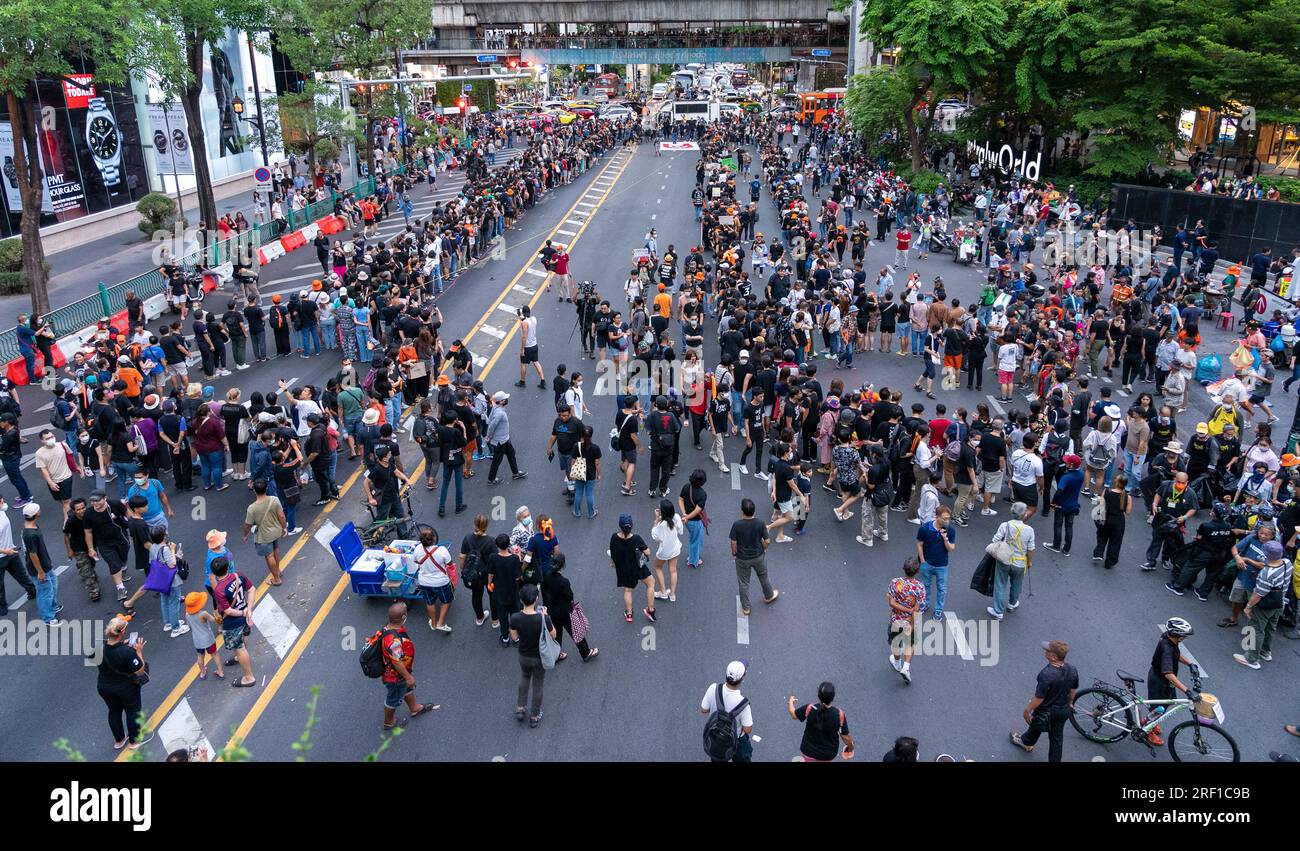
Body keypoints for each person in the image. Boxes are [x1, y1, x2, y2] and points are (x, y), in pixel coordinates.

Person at [1010, 639, 1079, 762]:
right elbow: (1072, 690)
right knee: (1056, 739)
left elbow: (1039, 698)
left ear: (1053, 657)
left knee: (1037, 723)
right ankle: (1027, 742)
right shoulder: (1072, 669)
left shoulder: (1046, 674)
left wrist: (1027, 710)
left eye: (1047, 650)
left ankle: (1026, 742)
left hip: (1046, 711)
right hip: (1063, 710)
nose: (1045, 651)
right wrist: (1069, 704)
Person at [376, 602, 438, 730]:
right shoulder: (393, 640)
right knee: (393, 698)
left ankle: (414, 708)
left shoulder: (388, 629)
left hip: (399, 674)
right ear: (403, 617)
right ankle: (389, 722)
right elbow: (396, 661)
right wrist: (408, 677)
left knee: (405, 688)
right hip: (395, 676)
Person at [1233, 540, 1293, 669]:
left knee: (1256, 629)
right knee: (1271, 627)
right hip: (1280, 602)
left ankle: (1251, 658)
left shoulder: (1266, 573)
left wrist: (1248, 607)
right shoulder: (1287, 563)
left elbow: (1259, 594)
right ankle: (1266, 652)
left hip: (1265, 605)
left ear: (1266, 555)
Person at [96, 615, 153, 749]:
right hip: (125, 688)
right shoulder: (127, 652)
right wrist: (138, 651)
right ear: (122, 632)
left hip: (104, 686)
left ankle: (119, 740)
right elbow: (140, 670)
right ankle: (134, 741)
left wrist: (121, 645)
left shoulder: (98, 648)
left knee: (114, 711)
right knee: (132, 712)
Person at [1146, 617, 1197, 745]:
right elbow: (1168, 673)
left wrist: (1189, 663)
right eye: (1183, 635)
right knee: (1158, 708)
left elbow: (1176, 654)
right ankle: (1148, 730)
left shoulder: (1168, 638)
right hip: (1159, 681)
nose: (1185, 638)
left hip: (1164, 681)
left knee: (1165, 704)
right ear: (1177, 635)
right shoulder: (1167, 648)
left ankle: (1151, 722)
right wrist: (1187, 690)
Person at [510, 583, 555, 728]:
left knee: (524, 677)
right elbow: (554, 634)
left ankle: (520, 708)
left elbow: (514, 636)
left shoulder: (515, 617)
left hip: (524, 655)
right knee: (538, 684)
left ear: (521, 600)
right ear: (536, 599)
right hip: (539, 657)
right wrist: (546, 617)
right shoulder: (542, 619)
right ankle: (535, 715)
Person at [540, 552, 597, 662]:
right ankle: (586, 653)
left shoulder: (546, 576)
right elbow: (569, 596)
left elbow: (544, 592)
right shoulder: (563, 582)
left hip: (552, 610)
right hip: (565, 611)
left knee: (557, 633)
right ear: (562, 565)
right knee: (576, 632)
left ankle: (556, 654)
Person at [210, 556, 256, 689]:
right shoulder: (239, 575)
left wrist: (242, 613)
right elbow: (252, 590)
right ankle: (238, 658)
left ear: (214, 573)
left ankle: (248, 677)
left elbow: (228, 611)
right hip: (245, 615)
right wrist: (248, 610)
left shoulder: (219, 590)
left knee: (239, 647)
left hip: (233, 622)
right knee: (244, 637)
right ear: (228, 567)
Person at [986, 502, 1035, 621]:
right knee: (1017, 584)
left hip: (1004, 559)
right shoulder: (1029, 530)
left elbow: (995, 539)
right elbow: (1031, 549)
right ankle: (1012, 604)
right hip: (1020, 562)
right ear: (1024, 514)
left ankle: (998, 611)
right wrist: (1029, 562)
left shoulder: (1005, 525)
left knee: (1000, 584)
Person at [729, 497, 778, 617]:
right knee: (763, 576)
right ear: (754, 511)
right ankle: (769, 595)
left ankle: (746, 608)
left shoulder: (737, 525)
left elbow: (733, 542)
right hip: (758, 556)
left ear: (742, 511)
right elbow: (767, 540)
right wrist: (764, 549)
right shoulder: (760, 523)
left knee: (744, 582)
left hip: (742, 558)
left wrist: (734, 554)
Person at [700, 660, 754, 763]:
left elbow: (704, 709)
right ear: (743, 677)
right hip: (737, 741)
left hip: (716, 736)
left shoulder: (713, 688)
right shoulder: (743, 704)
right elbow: (748, 729)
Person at [787, 682, 855, 761]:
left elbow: (794, 715)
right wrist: (850, 748)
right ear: (833, 697)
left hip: (808, 751)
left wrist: (790, 702)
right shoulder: (839, 715)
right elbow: (846, 738)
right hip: (827, 755)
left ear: (818, 696)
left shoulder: (810, 708)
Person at [610, 513, 655, 623]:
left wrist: (613, 563)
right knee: (650, 583)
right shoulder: (636, 538)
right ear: (631, 526)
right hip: (638, 567)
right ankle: (650, 610)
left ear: (620, 526)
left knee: (627, 590)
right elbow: (648, 552)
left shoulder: (614, 537)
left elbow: (612, 553)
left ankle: (629, 614)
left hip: (624, 569)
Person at [887, 557, 926, 684]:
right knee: (910, 643)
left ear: (904, 569)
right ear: (917, 571)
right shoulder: (919, 588)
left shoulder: (894, 583)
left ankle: (897, 663)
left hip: (896, 620)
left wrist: (903, 610)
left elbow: (891, 603)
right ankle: (906, 668)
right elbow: (919, 607)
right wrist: (910, 613)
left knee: (895, 643)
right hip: (910, 621)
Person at [22, 502, 61, 625]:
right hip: (39, 569)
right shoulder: (30, 534)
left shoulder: (32, 527)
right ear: (36, 514)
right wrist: (40, 572)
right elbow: (33, 554)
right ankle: (48, 618)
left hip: (45, 565)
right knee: (45, 593)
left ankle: (53, 607)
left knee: (52, 586)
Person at [915, 505, 956, 620]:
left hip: (942, 565)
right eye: (944, 518)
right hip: (927, 563)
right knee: (925, 585)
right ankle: (925, 604)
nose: (947, 521)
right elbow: (919, 544)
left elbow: (951, 549)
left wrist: (945, 539)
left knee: (942, 589)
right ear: (937, 517)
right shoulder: (925, 528)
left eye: (948, 518)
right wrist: (922, 561)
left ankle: (938, 610)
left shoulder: (950, 530)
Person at [0, 495, 36, 615]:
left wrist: (10, 546)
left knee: (22, 575)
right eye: (1, 501)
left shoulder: (2, 513)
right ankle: (2, 607)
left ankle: (32, 591)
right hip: (4, 555)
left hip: (11, 552)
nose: (4, 503)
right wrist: (6, 551)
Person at [414, 527, 455, 633]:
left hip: (424, 581)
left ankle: (433, 623)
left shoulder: (418, 549)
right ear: (433, 538)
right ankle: (441, 623)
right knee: (447, 601)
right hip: (441, 582)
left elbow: (416, 561)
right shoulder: (442, 550)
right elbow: (450, 564)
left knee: (430, 602)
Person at [486, 532, 523, 646]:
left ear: (497, 545)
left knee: (502, 617)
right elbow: (518, 577)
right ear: (509, 545)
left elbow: (490, 574)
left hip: (499, 593)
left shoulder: (493, 557)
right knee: (515, 615)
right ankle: (516, 638)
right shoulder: (514, 559)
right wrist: (519, 557)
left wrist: (489, 584)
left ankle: (505, 638)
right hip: (512, 591)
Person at [484, 391, 526, 484]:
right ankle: (491, 479)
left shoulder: (496, 408)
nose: (507, 400)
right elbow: (492, 425)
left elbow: (490, 421)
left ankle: (515, 473)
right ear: (501, 401)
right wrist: (488, 436)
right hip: (500, 441)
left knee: (511, 454)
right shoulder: (500, 413)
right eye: (505, 399)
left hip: (504, 439)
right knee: (497, 460)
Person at [1046, 455, 1084, 554]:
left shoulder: (1066, 477)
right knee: (1069, 526)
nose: (1065, 463)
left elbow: (1059, 492)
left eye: (1067, 462)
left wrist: (1053, 504)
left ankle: (1056, 545)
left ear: (1071, 465)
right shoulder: (1081, 474)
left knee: (1058, 525)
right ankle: (1066, 549)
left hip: (1061, 505)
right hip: (1073, 505)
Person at [183, 591, 223, 681]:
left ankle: (202, 672)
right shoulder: (203, 614)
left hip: (197, 640)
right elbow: (214, 620)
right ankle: (220, 671)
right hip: (208, 639)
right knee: (214, 654)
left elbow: (189, 626)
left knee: (200, 656)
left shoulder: (187, 615)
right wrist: (217, 616)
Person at [650, 498, 683, 602]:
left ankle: (663, 592)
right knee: (673, 570)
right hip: (675, 548)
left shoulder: (661, 525)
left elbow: (655, 537)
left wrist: (656, 520)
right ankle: (672, 595)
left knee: (657, 567)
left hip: (664, 551)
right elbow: (681, 531)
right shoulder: (676, 518)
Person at [515, 305, 546, 389]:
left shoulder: (524, 323)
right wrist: (520, 317)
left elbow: (524, 337)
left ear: (523, 313)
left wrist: (522, 349)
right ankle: (543, 380)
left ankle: (522, 381)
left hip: (527, 347)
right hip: (534, 345)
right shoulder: (534, 319)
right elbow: (526, 320)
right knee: (536, 362)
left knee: (523, 364)